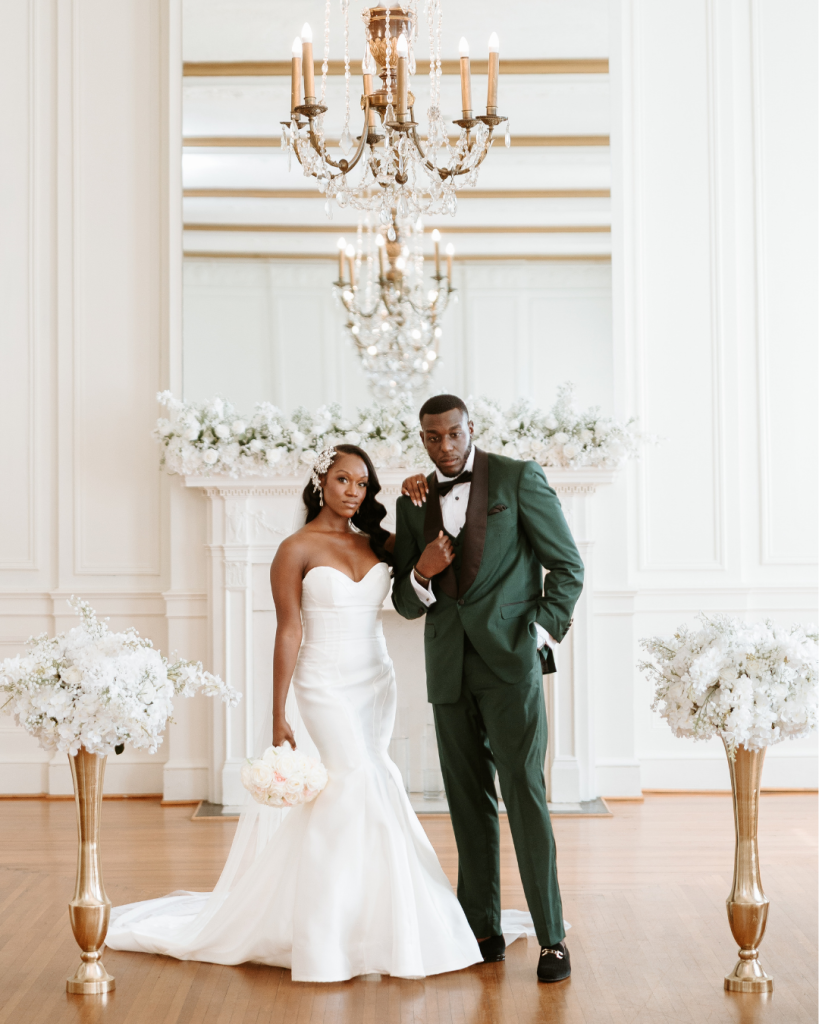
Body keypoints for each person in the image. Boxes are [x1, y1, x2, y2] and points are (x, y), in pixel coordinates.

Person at [106, 444, 483, 982]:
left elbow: (428, 561)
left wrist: (416, 498)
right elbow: (288, 630)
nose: (353, 491)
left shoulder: (380, 542)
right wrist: (277, 709)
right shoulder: (295, 548)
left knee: (368, 783)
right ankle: (328, 936)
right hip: (323, 681)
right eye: (342, 480)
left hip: (375, 680)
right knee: (355, 780)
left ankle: (379, 922)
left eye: (362, 483)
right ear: (320, 483)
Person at [393, 396, 584, 983]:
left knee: (525, 792)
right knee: (466, 802)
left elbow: (567, 566)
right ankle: (482, 929)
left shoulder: (518, 478)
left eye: (453, 434)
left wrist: (540, 634)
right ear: (422, 439)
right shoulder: (412, 500)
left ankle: (552, 937)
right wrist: (422, 571)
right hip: (448, 668)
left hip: (511, 665)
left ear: (471, 429)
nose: (445, 447)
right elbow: (403, 601)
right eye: (432, 438)